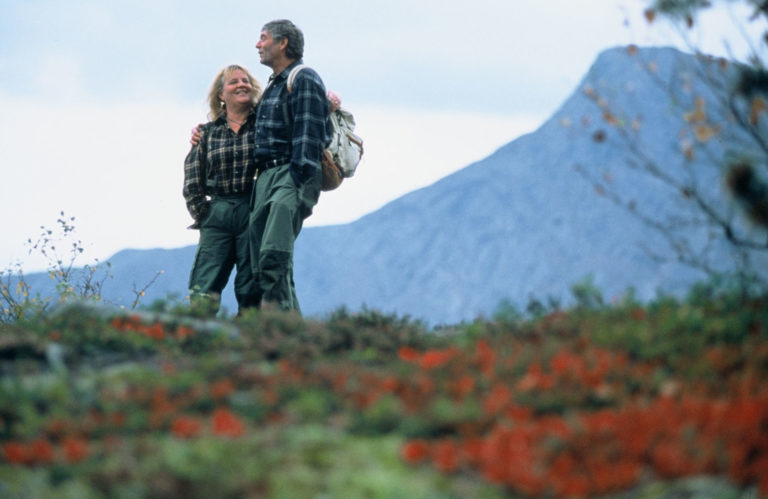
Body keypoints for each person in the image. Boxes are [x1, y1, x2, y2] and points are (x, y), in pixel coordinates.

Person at [247, 19, 333, 313]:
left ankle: (278, 332)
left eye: (263, 38)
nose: (258, 44)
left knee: (274, 255)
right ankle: (291, 335)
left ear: (282, 43)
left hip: (290, 174)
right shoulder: (273, 87)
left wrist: (298, 182)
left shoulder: (304, 77)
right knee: (263, 262)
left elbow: (310, 135)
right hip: (266, 177)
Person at [183, 64, 262, 316]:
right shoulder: (206, 133)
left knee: (251, 286)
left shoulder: (265, 124)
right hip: (217, 213)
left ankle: (247, 342)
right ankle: (199, 341)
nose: (241, 84)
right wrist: (204, 214)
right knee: (204, 287)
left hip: (252, 210)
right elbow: (192, 177)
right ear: (220, 95)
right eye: (233, 82)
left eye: (245, 80)